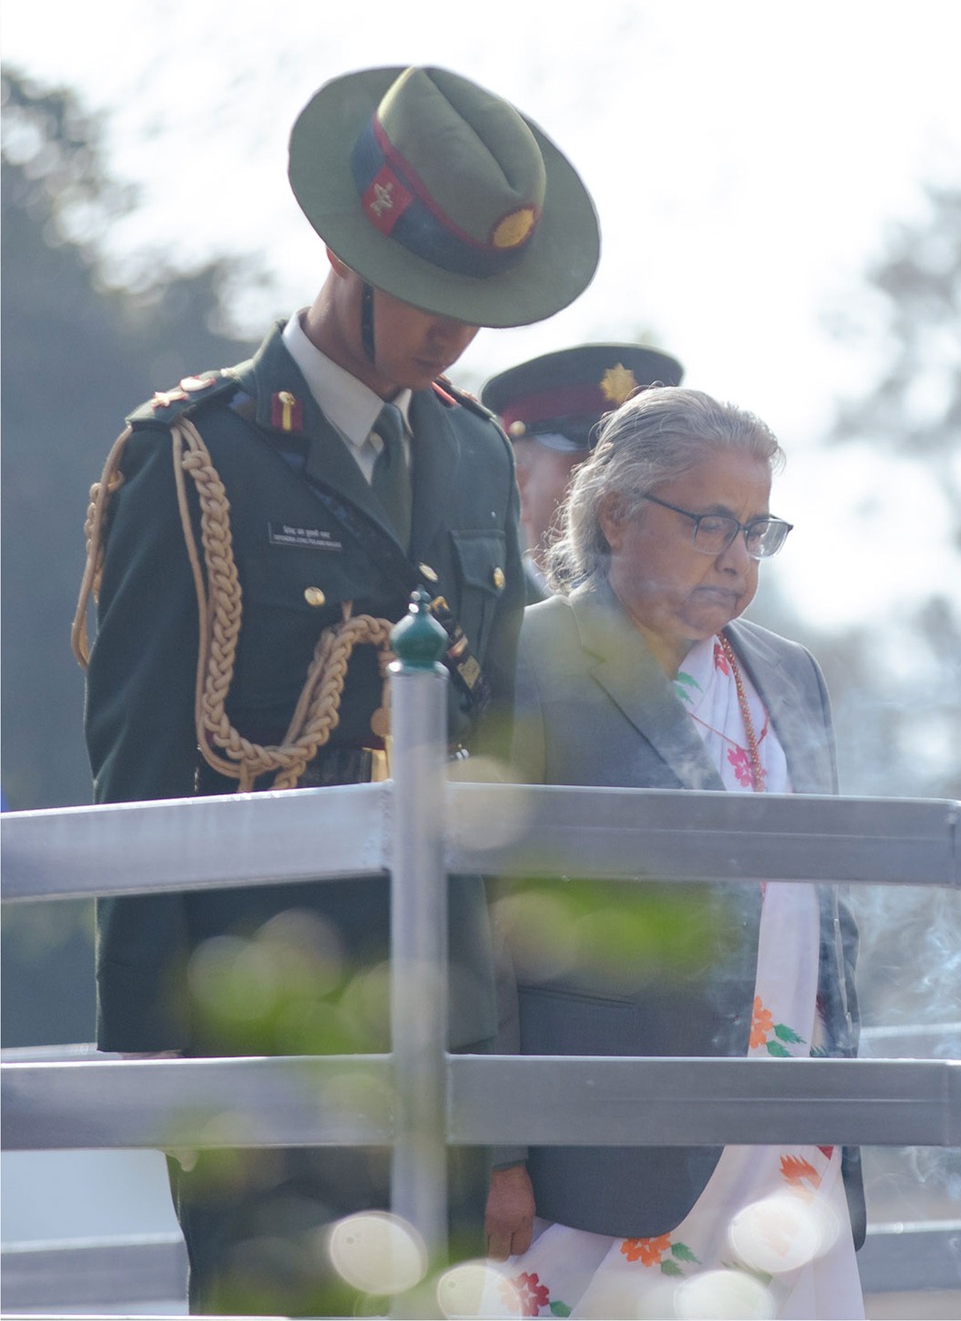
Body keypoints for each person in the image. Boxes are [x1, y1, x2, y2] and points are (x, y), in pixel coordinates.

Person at [73, 64, 599, 1314]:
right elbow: (142, 751)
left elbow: (504, 747)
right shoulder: (195, 454)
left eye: (476, 304)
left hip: (453, 1013)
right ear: (339, 249)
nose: (451, 332)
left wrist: (514, 1072)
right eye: (426, 294)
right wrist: (153, 1044)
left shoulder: (474, 450)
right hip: (265, 1004)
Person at [484, 387, 863, 1319]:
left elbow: (830, 906)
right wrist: (495, 1152)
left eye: (755, 531)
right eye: (709, 524)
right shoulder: (528, 660)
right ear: (617, 514)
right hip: (608, 1154)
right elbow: (478, 918)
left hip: (785, 1126)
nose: (735, 559)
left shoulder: (788, 671)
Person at [481, 343, 684, 602]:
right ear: (520, 488)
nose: (621, 491)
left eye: (641, 470)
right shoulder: (481, 622)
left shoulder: (694, 629)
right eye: (588, 470)